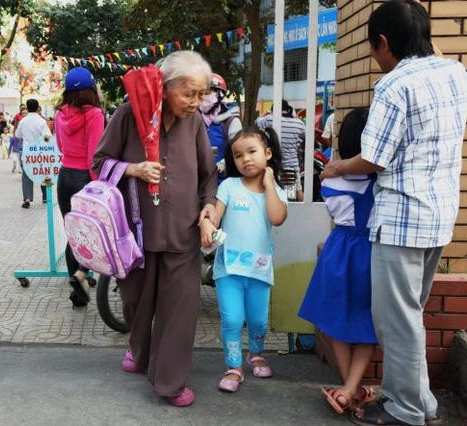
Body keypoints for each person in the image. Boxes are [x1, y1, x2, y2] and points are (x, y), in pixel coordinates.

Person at [320, 1, 467, 425]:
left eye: (372, 45)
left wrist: (337, 167)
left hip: (401, 219)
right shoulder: (455, 72)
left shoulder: (393, 85)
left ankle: (404, 410)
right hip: (439, 216)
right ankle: (424, 405)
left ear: (382, 42)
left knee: (395, 322)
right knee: (409, 316)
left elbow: (374, 159)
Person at [92, 51, 217, 407]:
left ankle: (169, 382)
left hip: (183, 232)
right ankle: (139, 347)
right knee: (137, 302)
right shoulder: (129, 114)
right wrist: (133, 169)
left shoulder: (194, 123)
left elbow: (209, 174)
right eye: (189, 93)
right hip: (136, 233)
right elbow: (99, 163)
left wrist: (209, 207)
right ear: (164, 87)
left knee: (179, 310)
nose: (197, 102)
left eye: (201, 94)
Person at [297, 108, 377, 414]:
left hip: (336, 250)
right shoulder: (378, 181)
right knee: (368, 326)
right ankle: (351, 390)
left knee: (337, 325)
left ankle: (348, 391)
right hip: (367, 253)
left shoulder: (329, 180)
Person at [199, 126, 287, 393]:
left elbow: (277, 218)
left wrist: (270, 183)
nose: (246, 159)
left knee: (259, 321)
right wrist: (206, 223)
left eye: (252, 152)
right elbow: (215, 214)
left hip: (259, 271)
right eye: (238, 155)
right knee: (233, 319)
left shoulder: (276, 191)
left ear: (268, 153)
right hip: (229, 270)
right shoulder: (229, 186)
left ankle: (256, 353)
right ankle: (234, 366)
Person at [54, 67, 105, 306]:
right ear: (90, 89)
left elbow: (60, 145)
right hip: (84, 178)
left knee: (72, 234)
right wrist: (98, 186)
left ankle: (77, 293)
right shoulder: (94, 114)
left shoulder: (59, 114)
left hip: (64, 177)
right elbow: (94, 154)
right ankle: (81, 273)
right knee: (94, 231)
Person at [256, 100, 306, 201]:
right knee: (298, 191)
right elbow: (302, 140)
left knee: (271, 190)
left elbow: (256, 123)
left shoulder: (269, 120)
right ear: (289, 110)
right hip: (293, 165)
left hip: (274, 165)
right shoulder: (299, 124)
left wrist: (266, 114)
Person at [199, 73, 242, 183]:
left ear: (219, 94)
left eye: (208, 92)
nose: (203, 96)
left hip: (224, 183)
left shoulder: (231, 121)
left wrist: (224, 163)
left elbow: (238, 149)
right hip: (197, 184)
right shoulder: (193, 119)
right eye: (200, 93)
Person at [15, 98, 52, 208]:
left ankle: (27, 198)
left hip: (27, 151)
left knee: (26, 175)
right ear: (37, 107)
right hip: (40, 151)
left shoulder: (23, 121)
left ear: (27, 107)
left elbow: (18, 135)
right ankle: (45, 197)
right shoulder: (41, 121)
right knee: (43, 172)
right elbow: (47, 137)